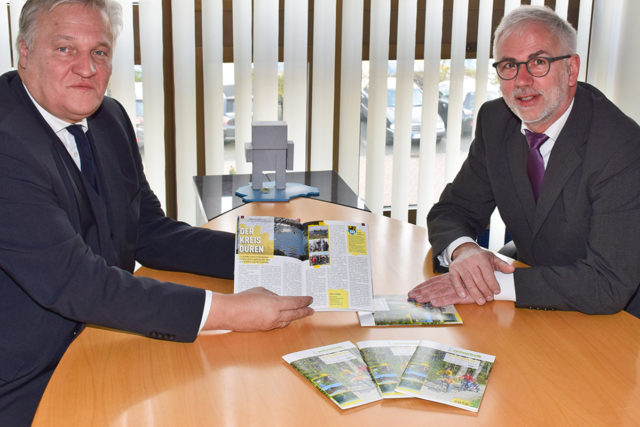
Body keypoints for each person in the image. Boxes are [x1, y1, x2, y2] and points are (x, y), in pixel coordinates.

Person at [0, 1, 313, 425]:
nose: (87, 68)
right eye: (65, 49)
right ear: (24, 52)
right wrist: (230, 311)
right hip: (25, 378)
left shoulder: (109, 118)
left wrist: (278, 250)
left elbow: (150, 232)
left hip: (106, 341)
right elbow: (76, 282)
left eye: (100, 52)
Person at [408, 5, 640, 316]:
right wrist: (464, 252)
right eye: (509, 65)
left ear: (571, 70)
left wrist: (492, 286)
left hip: (616, 319)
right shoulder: (496, 121)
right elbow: (452, 210)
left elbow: (607, 282)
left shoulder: (620, 146)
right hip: (535, 301)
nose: (522, 81)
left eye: (538, 62)